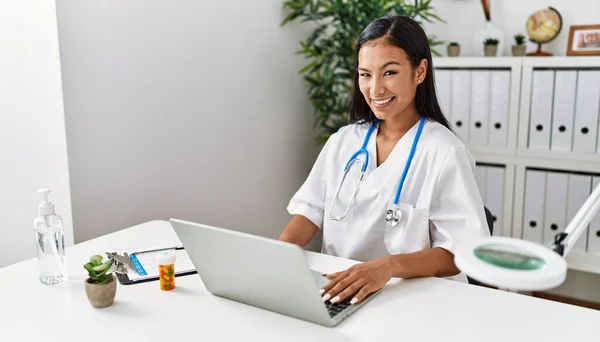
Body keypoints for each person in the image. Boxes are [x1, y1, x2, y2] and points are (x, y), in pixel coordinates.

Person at [278, 15, 490, 306]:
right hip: (343, 293)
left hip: (416, 300)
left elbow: (460, 253)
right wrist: (274, 257)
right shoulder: (344, 141)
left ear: (419, 71)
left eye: (389, 72)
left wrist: (388, 266)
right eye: (365, 74)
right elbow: (309, 211)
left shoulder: (444, 152)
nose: (375, 89)